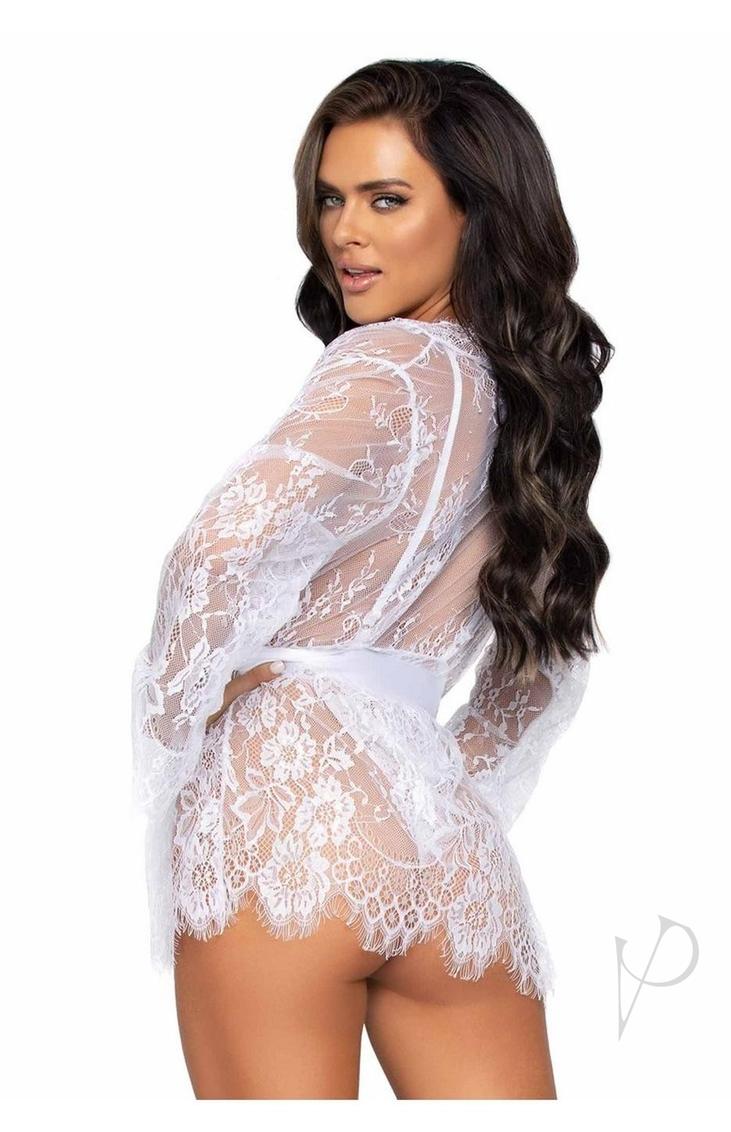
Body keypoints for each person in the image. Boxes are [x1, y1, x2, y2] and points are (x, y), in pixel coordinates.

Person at [131, 58, 612, 1100]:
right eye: (330, 199)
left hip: (287, 813)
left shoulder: (387, 361)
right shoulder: (528, 404)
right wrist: (424, 781)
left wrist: (187, 732)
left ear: (476, 213)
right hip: (444, 842)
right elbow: (543, 667)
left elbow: (215, 550)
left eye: (386, 200)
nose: (344, 232)